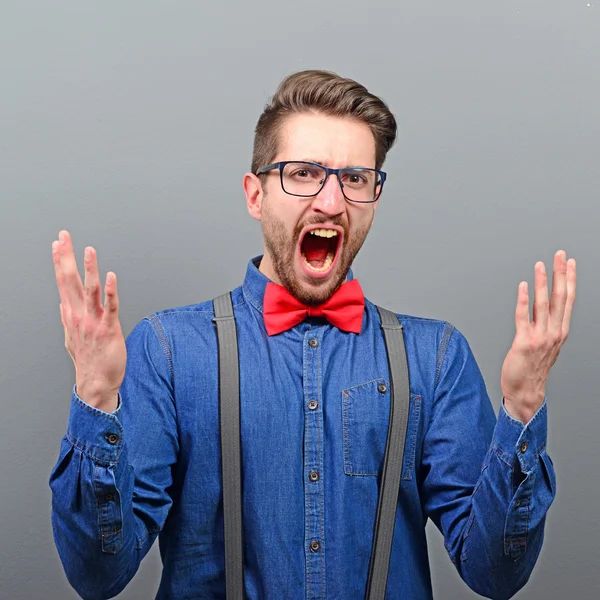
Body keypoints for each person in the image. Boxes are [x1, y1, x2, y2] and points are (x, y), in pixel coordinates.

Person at [49, 70, 577, 600]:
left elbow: (496, 575)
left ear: (374, 196)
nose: (330, 201)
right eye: (303, 173)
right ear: (255, 195)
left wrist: (524, 406)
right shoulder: (167, 350)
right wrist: (96, 397)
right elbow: (98, 575)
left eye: (354, 178)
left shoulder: (435, 358)